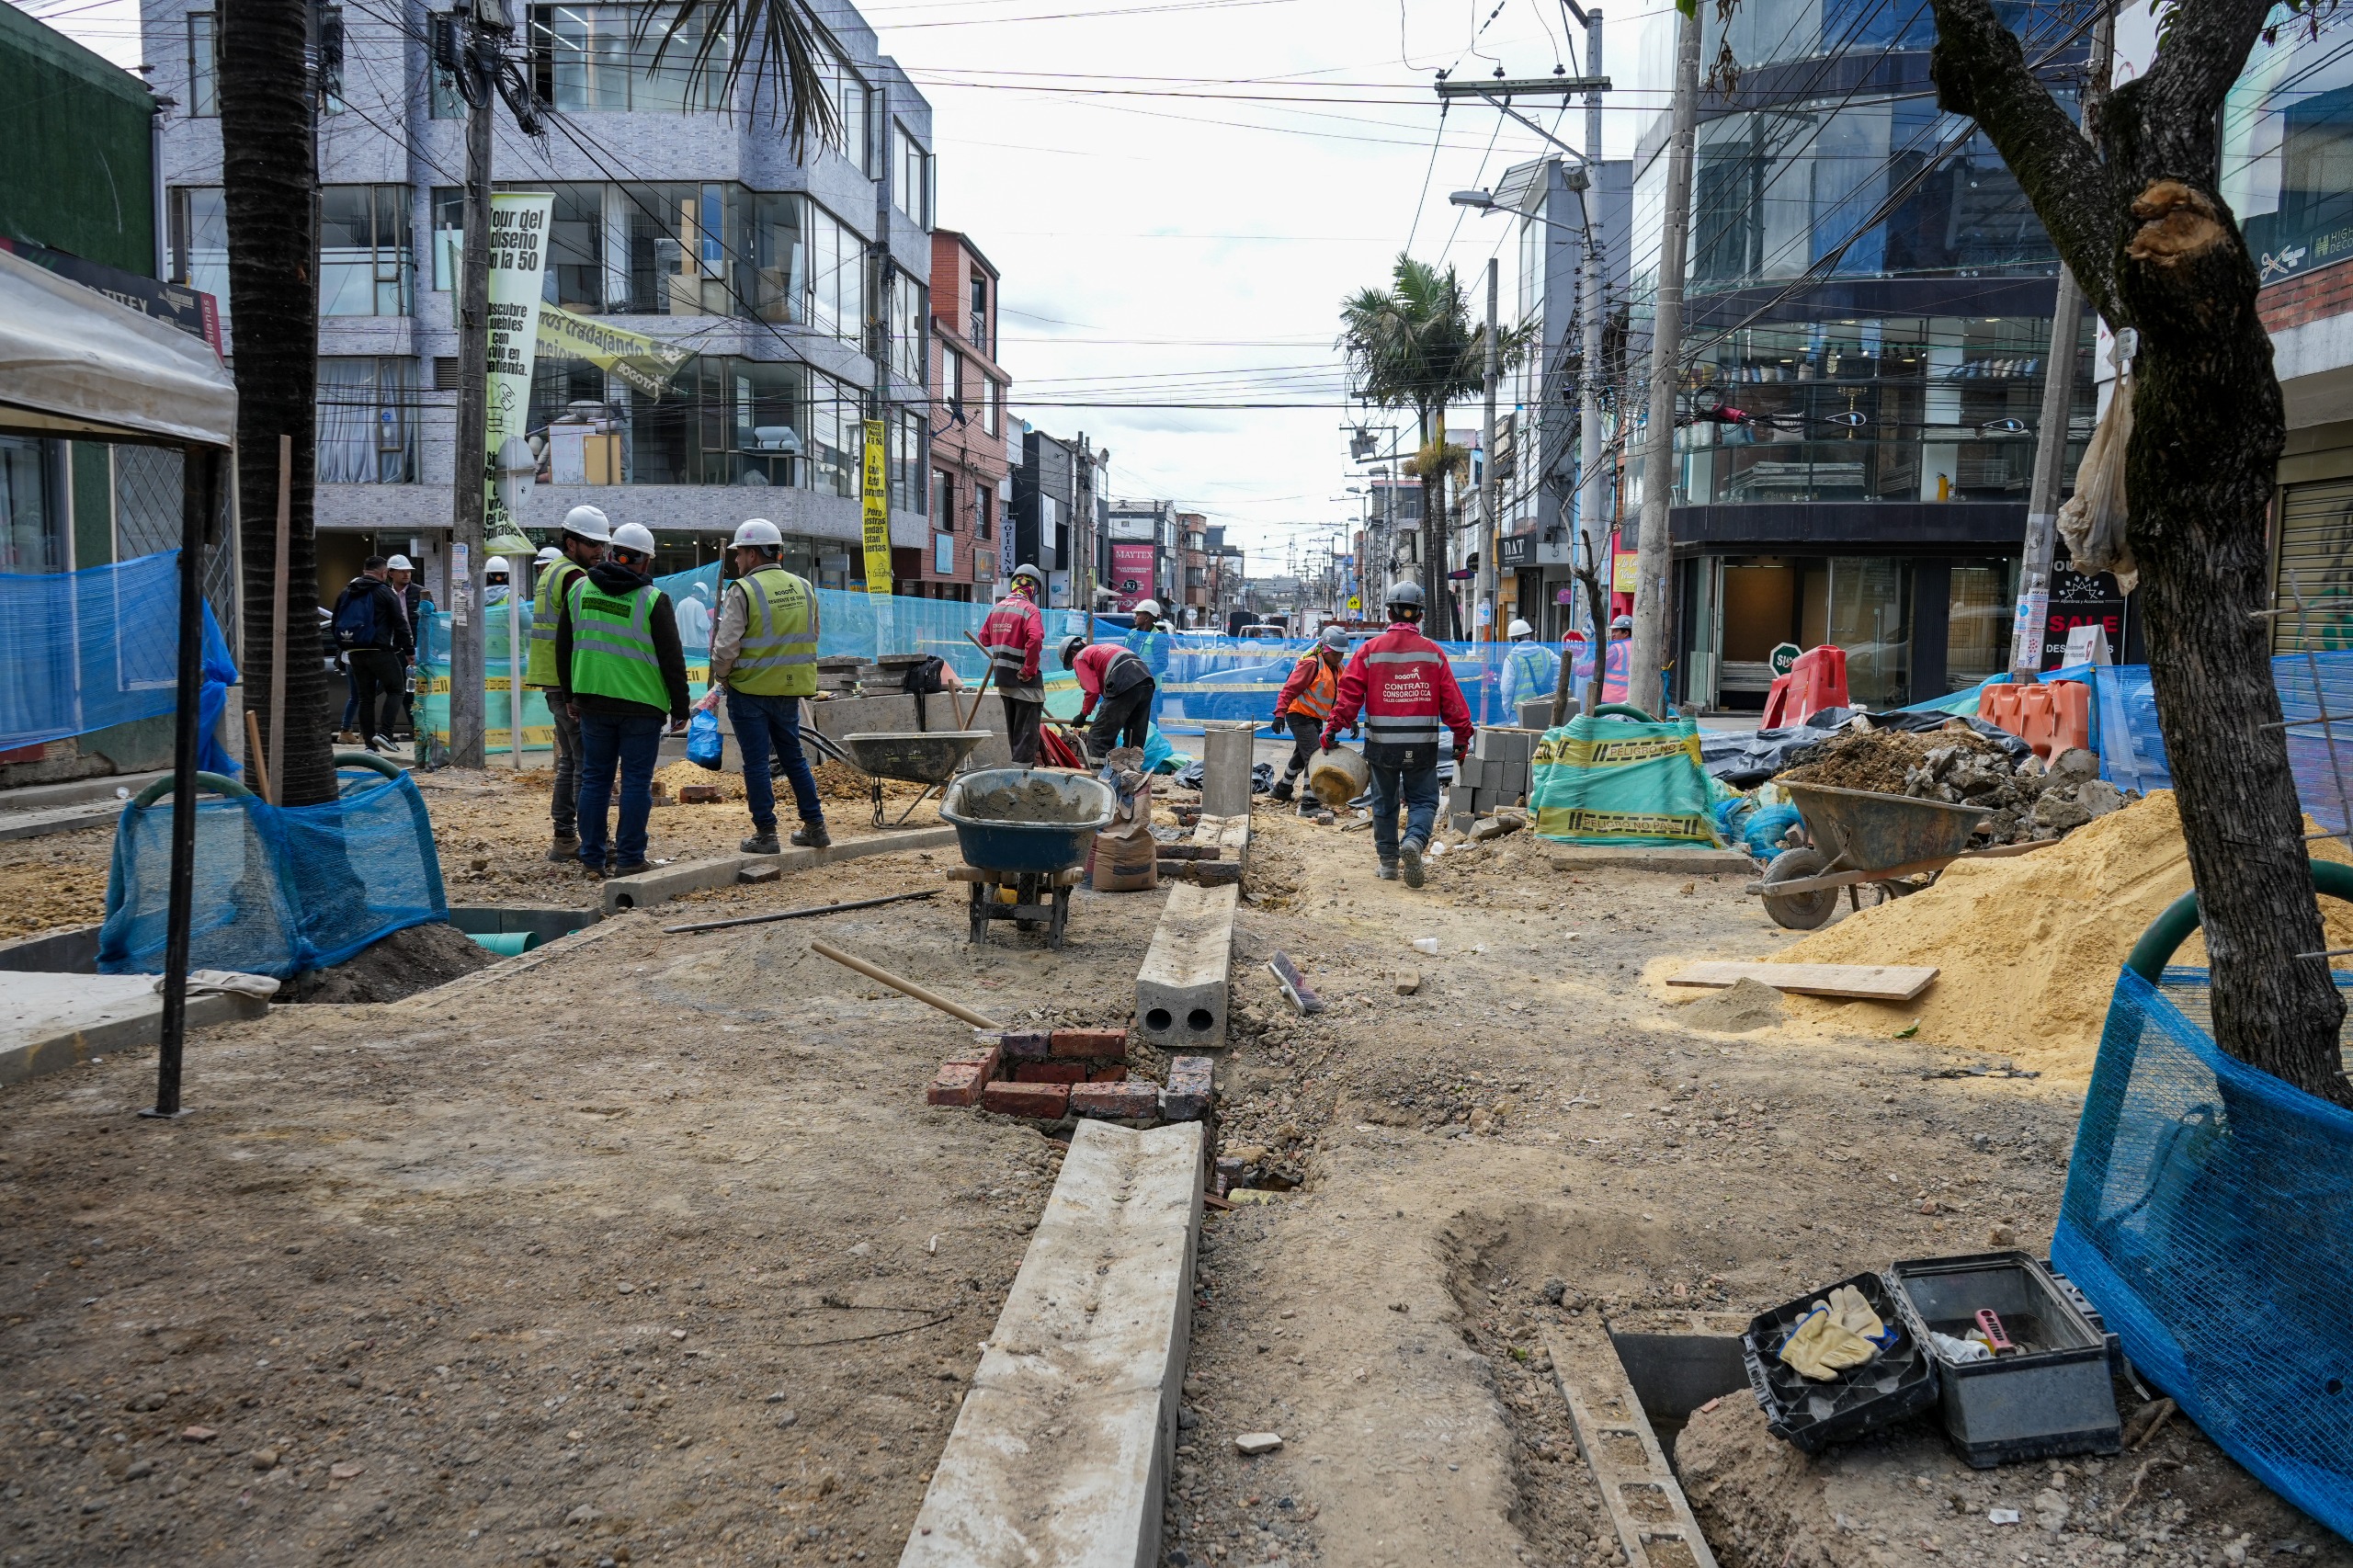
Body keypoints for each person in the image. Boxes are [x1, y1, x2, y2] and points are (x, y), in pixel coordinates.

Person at [556, 521, 690, 878]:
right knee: (634, 783)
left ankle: (592, 859)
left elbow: (564, 647)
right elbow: (672, 660)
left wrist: (571, 695)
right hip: (642, 707)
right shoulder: (652, 600)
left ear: (612, 553)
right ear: (646, 563)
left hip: (593, 701)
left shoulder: (580, 591)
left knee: (596, 780)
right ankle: (630, 859)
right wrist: (680, 708)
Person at [1321, 581, 1472, 889]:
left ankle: (1388, 864)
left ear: (1388, 612)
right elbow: (1452, 700)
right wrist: (1461, 737)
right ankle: (1414, 842)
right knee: (1425, 801)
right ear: (1419, 616)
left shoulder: (1369, 651)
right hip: (1422, 746)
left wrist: (1333, 727)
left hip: (1382, 747)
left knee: (1384, 802)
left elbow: (1349, 694)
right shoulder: (1433, 653)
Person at [695, 517, 829, 854]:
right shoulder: (803, 586)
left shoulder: (744, 590)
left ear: (753, 554)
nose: (737, 561)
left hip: (749, 691)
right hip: (788, 690)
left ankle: (766, 834)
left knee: (755, 763)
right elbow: (812, 634)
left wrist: (723, 677)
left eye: (739, 554)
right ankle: (815, 826)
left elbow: (725, 647)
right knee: (794, 757)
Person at [526, 505, 609, 862]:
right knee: (587, 764)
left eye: (602, 544)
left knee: (571, 763)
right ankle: (590, 841)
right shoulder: (575, 577)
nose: (600, 551)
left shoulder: (554, 570)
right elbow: (582, 636)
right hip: (568, 685)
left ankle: (564, 837)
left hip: (553, 682)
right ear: (571, 542)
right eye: (592, 544)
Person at [330, 554, 414, 754]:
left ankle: (370, 745)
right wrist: (409, 651)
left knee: (365, 698)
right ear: (384, 573)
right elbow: (400, 623)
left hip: (355, 653)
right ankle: (385, 733)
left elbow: (334, 624)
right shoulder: (384, 593)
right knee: (396, 689)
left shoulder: (346, 592)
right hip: (380, 651)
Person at [1270, 624, 1347, 812]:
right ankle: (1309, 804)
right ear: (1326, 650)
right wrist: (1280, 713)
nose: (1339, 657)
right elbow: (1289, 689)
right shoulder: (1311, 664)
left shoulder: (1337, 667)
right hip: (1298, 715)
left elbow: (1341, 695)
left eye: (1341, 654)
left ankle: (1282, 789)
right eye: (1335, 654)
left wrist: (1349, 719)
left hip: (1313, 718)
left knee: (1301, 755)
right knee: (1314, 757)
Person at [983, 563, 1049, 765]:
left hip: (1003, 680)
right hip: (1025, 682)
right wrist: (1029, 669)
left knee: (1014, 735)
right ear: (1035, 587)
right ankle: (1023, 781)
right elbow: (1035, 639)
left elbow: (984, 638)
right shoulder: (1030, 610)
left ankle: (1015, 774)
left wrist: (1004, 634)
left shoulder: (997, 608)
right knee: (1026, 737)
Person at [1062, 634, 1154, 763]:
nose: (1074, 667)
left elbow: (1092, 690)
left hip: (1124, 682)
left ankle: (1101, 777)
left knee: (1098, 736)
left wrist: (1083, 714)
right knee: (1134, 736)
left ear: (1072, 653)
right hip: (1146, 681)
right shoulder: (1098, 650)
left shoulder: (1080, 657)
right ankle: (1132, 775)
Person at [1496, 618, 1562, 719]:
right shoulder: (1546, 653)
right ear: (1529, 636)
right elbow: (1562, 669)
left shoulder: (1511, 660)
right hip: (1544, 705)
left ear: (1515, 640)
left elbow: (1506, 689)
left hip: (1519, 711)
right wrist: (1554, 689)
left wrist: (1507, 710)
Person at [675, 581, 715, 659]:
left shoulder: (681, 604)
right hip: (698, 646)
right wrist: (710, 623)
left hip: (682, 644)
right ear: (702, 593)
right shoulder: (699, 605)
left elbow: (675, 622)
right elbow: (704, 626)